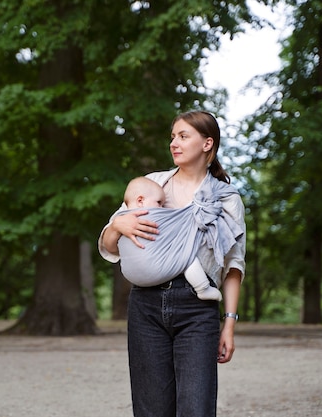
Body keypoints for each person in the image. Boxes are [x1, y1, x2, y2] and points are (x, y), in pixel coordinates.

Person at [98, 110, 246, 417]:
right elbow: (111, 245)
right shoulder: (152, 185)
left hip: (197, 307)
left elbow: (233, 265)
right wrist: (117, 227)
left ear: (207, 144)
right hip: (146, 305)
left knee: (196, 408)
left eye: (183, 136)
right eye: (172, 137)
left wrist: (229, 324)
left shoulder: (226, 199)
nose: (174, 144)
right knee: (151, 408)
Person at [119, 176, 223, 301]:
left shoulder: (120, 219)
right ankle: (203, 288)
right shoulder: (148, 216)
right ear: (140, 201)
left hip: (131, 276)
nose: (162, 208)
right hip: (154, 272)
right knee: (185, 253)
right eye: (159, 203)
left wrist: (115, 225)